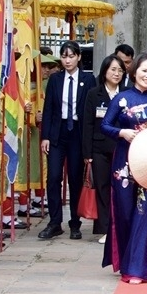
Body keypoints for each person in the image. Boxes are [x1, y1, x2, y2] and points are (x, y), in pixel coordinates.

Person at [100, 54, 147, 284]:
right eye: (144, 71)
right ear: (134, 73)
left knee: (143, 215)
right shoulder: (122, 99)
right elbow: (105, 125)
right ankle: (124, 260)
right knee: (124, 212)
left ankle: (137, 268)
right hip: (123, 163)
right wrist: (122, 133)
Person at [39, 41, 89, 240]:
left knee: (76, 179)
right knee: (53, 177)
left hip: (77, 132)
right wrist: (45, 136)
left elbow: (88, 111)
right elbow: (49, 109)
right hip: (58, 133)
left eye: (71, 56)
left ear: (78, 57)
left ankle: (75, 223)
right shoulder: (55, 80)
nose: (67, 60)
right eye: (64, 56)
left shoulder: (88, 79)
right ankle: (54, 222)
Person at [81, 55, 125, 244]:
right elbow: (88, 124)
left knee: (121, 188)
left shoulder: (127, 94)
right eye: (113, 69)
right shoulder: (94, 93)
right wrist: (87, 154)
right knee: (103, 188)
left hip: (122, 148)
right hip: (99, 148)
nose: (116, 73)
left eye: (120, 70)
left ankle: (120, 227)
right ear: (105, 71)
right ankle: (106, 228)